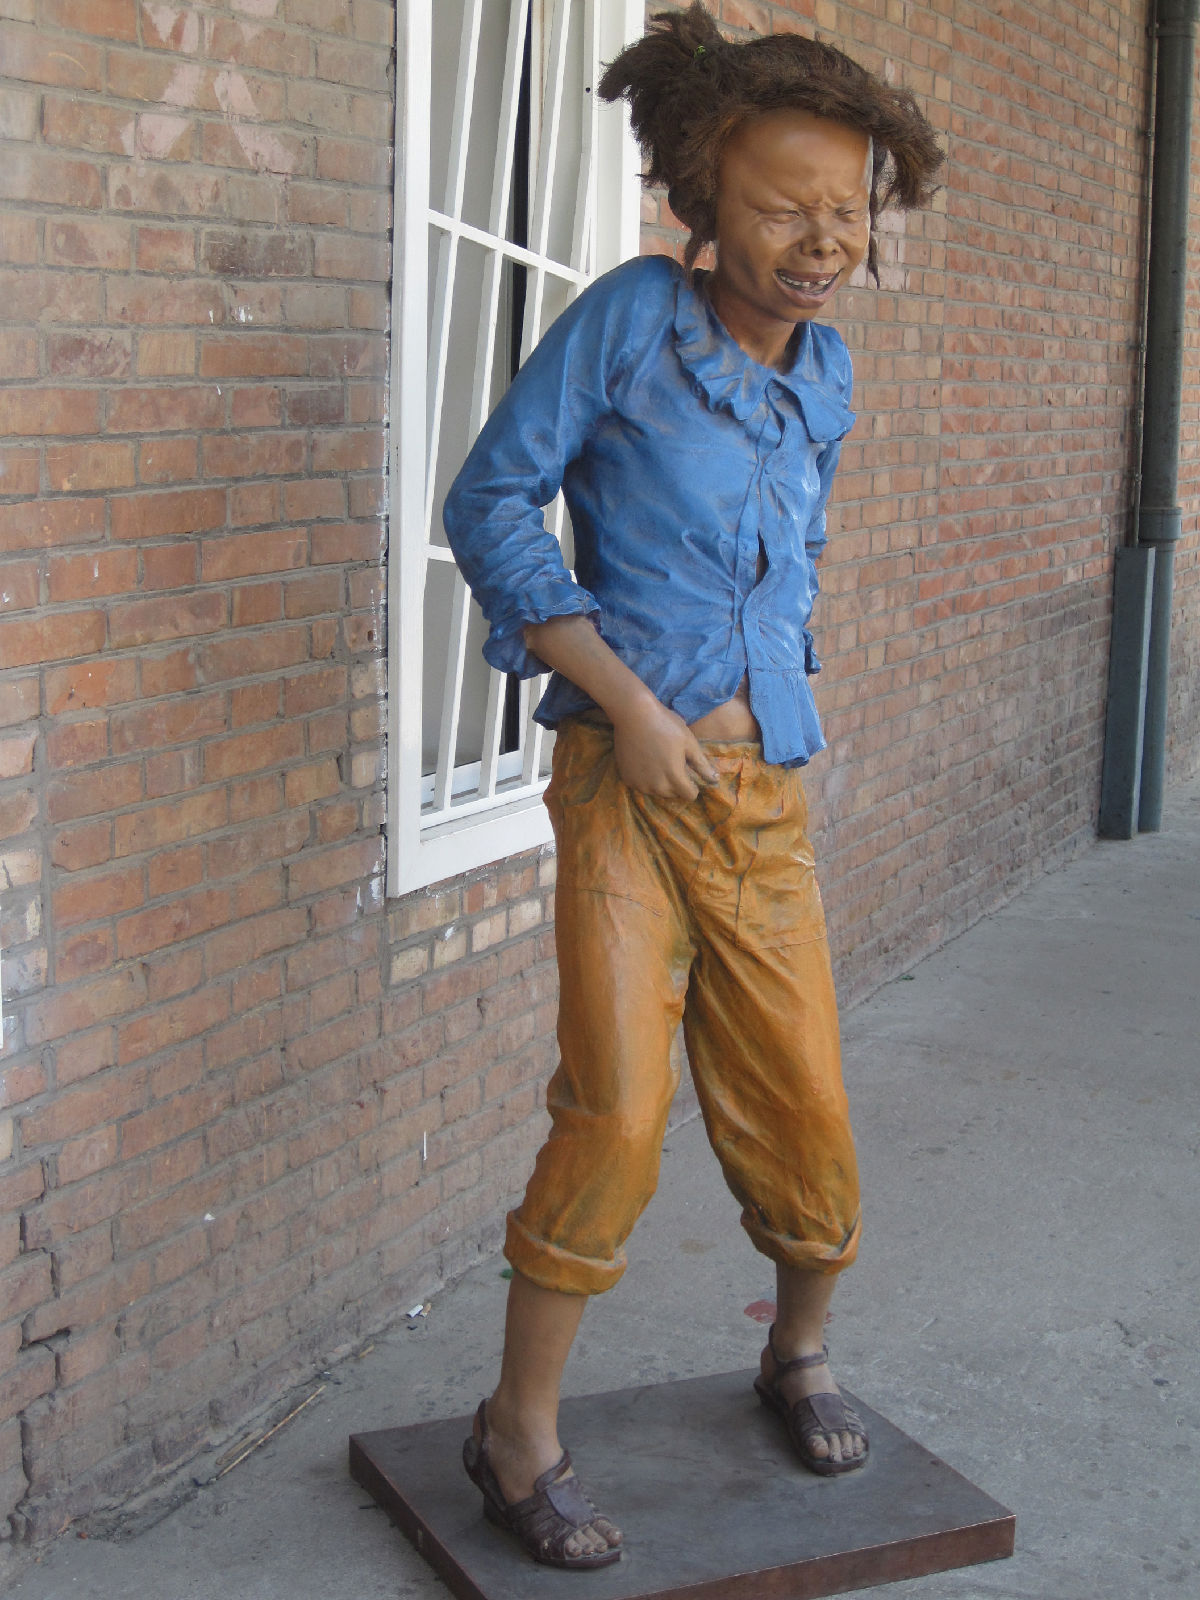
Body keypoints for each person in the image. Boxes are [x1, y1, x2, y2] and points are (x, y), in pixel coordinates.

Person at [442, 1, 942, 1571]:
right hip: (625, 783)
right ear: (704, 197)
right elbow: (491, 501)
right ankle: (516, 1431)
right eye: (786, 206)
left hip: (761, 791)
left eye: (847, 208)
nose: (822, 239)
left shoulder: (828, 372)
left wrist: (768, 699)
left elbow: (795, 555)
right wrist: (628, 702)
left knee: (807, 1102)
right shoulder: (632, 320)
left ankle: (797, 1353)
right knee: (617, 1111)